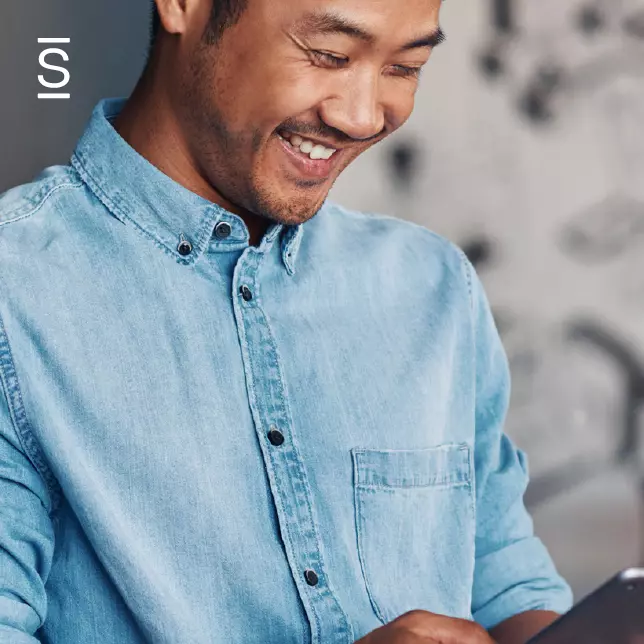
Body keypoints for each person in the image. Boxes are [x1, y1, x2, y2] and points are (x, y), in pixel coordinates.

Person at [0, 0, 573, 642]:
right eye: (329, 54)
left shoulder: (434, 287)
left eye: (405, 67)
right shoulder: (15, 294)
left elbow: (505, 586)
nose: (362, 116)